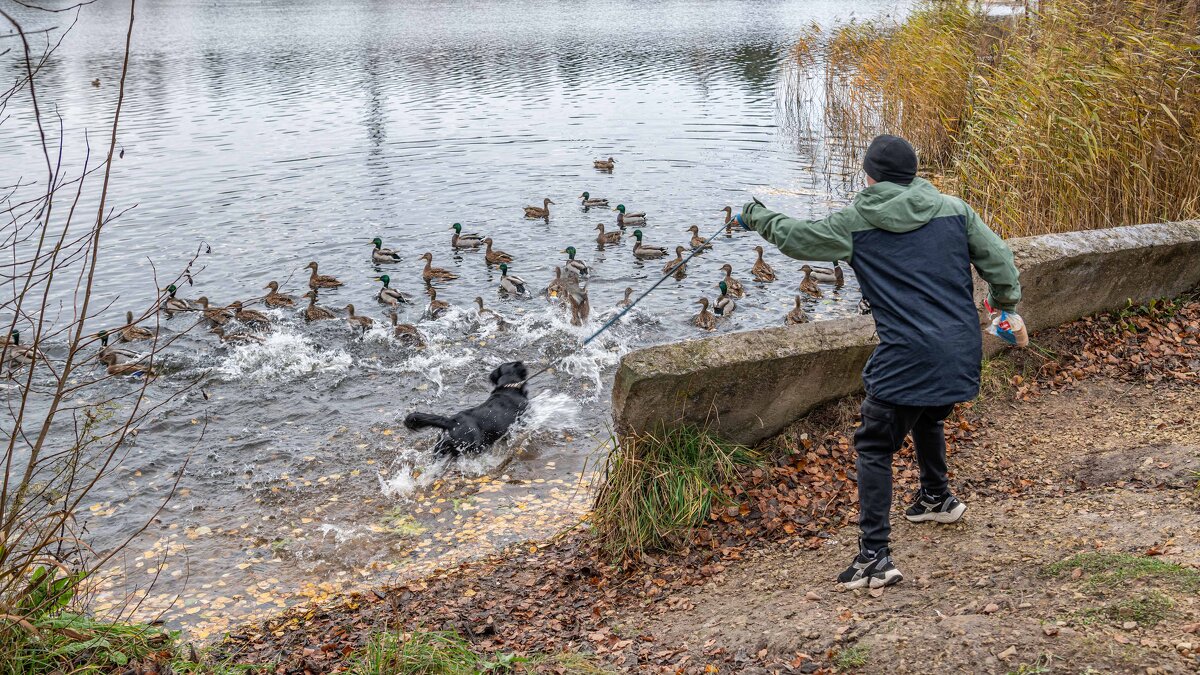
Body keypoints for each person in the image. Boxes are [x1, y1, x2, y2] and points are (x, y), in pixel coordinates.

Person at [735, 134, 1023, 589]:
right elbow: (1001, 260)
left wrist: (754, 215)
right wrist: (1005, 305)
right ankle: (936, 498)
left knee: (873, 445)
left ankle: (874, 557)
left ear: (869, 174)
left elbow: (795, 237)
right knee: (927, 412)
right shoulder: (954, 209)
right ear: (912, 173)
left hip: (908, 353)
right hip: (962, 348)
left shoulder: (855, 221)